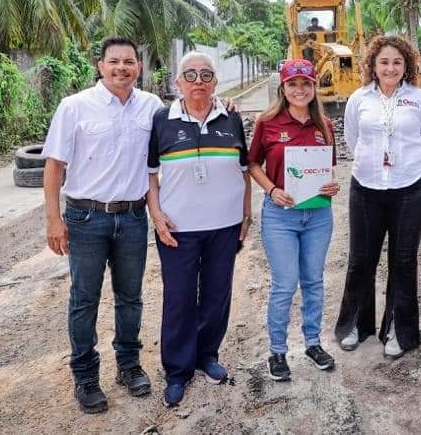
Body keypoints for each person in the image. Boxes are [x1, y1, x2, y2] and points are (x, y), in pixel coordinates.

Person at [41, 36, 159, 414]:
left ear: (139, 66)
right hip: (86, 217)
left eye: (129, 62)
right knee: (84, 300)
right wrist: (53, 220)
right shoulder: (74, 107)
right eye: (114, 61)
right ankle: (86, 378)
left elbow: (189, 118)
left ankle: (128, 366)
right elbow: (54, 166)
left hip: (133, 216)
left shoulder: (152, 107)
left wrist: (225, 105)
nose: (121, 68)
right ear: (100, 65)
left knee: (130, 297)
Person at [146, 51, 252, 408]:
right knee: (179, 298)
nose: (198, 81)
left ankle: (207, 355)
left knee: (216, 294)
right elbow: (150, 175)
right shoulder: (162, 120)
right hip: (179, 228)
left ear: (215, 82)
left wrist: (246, 214)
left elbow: (244, 169)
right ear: (177, 83)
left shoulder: (232, 118)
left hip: (225, 225)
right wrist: (156, 215)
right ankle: (178, 370)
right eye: (189, 75)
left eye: (206, 74)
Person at [334, 34, 421, 359]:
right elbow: (354, 141)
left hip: (412, 189)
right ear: (373, 66)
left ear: (406, 65)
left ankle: (398, 329)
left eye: (397, 62)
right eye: (384, 62)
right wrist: (376, 167)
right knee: (361, 259)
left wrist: (407, 169)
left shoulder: (420, 100)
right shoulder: (359, 99)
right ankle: (354, 324)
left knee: (403, 260)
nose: (390, 67)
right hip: (366, 187)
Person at [247, 59, 341, 381]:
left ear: (314, 86)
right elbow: (253, 164)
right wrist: (272, 190)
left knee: (313, 281)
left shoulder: (324, 126)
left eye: (306, 84)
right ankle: (277, 351)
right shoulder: (268, 122)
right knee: (285, 285)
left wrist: (332, 184)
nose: (300, 90)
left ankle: (313, 343)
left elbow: (328, 170)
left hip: (317, 215)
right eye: (293, 84)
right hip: (280, 216)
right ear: (283, 88)